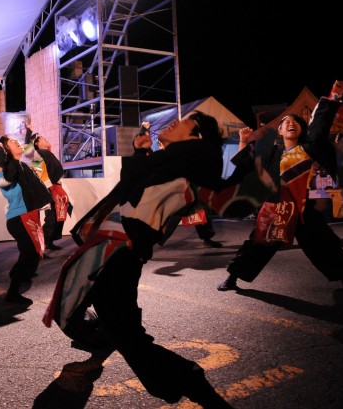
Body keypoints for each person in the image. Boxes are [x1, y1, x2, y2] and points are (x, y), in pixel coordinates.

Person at [43, 111, 276, 408]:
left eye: (187, 120)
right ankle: (106, 340)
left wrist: (259, 147)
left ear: (197, 136)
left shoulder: (194, 163)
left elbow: (230, 197)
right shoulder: (168, 161)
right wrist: (140, 152)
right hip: (107, 251)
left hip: (121, 254)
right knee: (83, 310)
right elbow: (129, 190)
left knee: (128, 336)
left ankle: (195, 384)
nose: (175, 121)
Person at [217, 81, 343, 292]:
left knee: (324, 242)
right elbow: (245, 165)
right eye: (286, 121)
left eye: (296, 122)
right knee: (258, 246)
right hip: (275, 208)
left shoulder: (307, 149)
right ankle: (233, 276)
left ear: (301, 129)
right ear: (279, 130)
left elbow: (320, 125)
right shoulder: (270, 153)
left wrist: (334, 96)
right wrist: (243, 141)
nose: (291, 123)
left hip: (302, 208)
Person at [0, 135, 54, 304]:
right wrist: (0, 152)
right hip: (19, 218)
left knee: (35, 252)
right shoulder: (3, 171)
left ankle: (19, 273)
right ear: (5, 148)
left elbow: (39, 178)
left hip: (30, 215)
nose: (17, 142)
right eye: (12, 141)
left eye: (16, 140)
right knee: (29, 253)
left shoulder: (22, 166)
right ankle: (13, 292)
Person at [23, 125, 71, 251]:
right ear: (37, 144)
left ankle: (48, 241)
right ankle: (42, 243)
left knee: (58, 216)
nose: (46, 140)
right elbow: (28, 150)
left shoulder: (47, 153)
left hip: (56, 188)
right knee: (52, 218)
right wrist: (29, 132)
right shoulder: (38, 154)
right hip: (49, 188)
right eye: (43, 139)